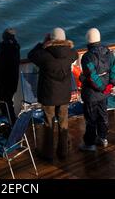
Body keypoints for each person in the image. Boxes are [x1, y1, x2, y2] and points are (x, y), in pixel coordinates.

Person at [28, 28, 78, 161]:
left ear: (51, 39)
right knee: (63, 123)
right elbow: (76, 54)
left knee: (49, 124)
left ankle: (48, 153)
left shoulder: (44, 55)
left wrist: (42, 43)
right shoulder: (70, 53)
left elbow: (31, 55)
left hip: (48, 95)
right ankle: (63, 152)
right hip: (63, 95)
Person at [79, 28, 115, 151]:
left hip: (92, 94)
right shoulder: (108, 53)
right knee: (103, 115)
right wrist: (110, 85)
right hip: (105, 92)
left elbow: (92, 76)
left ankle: (90, 144)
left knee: (91, 118)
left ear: (87, 40)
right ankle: (103, 138)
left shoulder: (87, 57)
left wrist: (101, 87)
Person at [0, 28, 20, 125]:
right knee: (8, 103)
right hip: (13, 80)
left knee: (5, 104)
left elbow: (0, 63)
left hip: (4, 81)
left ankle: (11, 125)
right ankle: (11, 124)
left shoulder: (3, 46)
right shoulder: (16, 46)